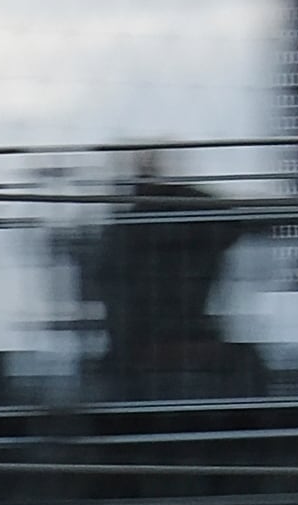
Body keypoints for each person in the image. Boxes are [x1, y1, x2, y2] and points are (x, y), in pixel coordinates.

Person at [87, 149, 249, 402]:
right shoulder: (130, 232)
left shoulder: (188, 223)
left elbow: (234, 222)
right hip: (148, 342)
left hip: (177, 337)